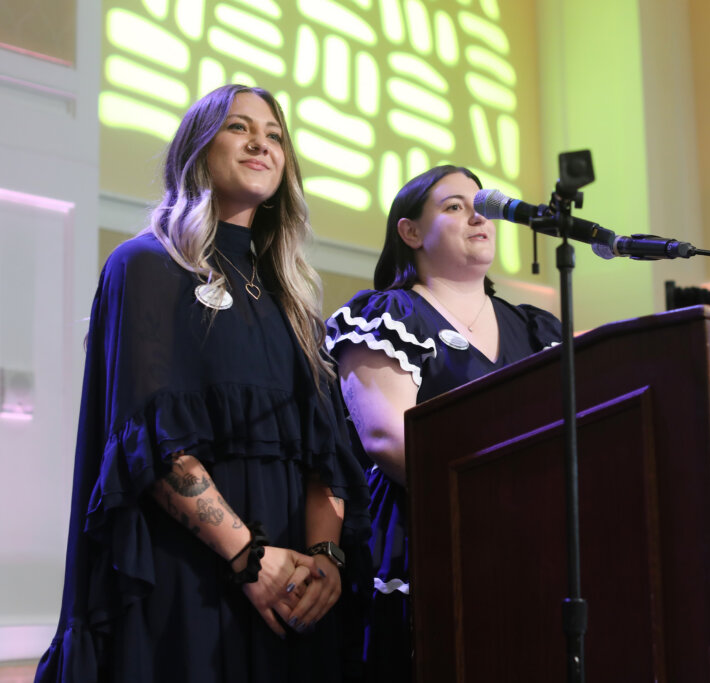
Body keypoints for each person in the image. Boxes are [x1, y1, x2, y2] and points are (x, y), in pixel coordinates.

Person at [36, 84, 369, 682]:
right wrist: (249, 558)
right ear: (197, 149)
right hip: (193, 581)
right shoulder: (145, 266)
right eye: (239, 128)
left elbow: (329, 457)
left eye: (274, 136)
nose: (260, 144)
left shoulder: (295, 301)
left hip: (295, 594)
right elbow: (151, 445)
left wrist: (324, 561)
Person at [325, 165, 561, 680]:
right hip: (426, 535)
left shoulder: (536, 328)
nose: (478, 216)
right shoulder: (388, 317)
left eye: (485, 206)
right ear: (410, 232)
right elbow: (388, 438)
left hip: (532, 540)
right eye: (453, 206)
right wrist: (496, 501)